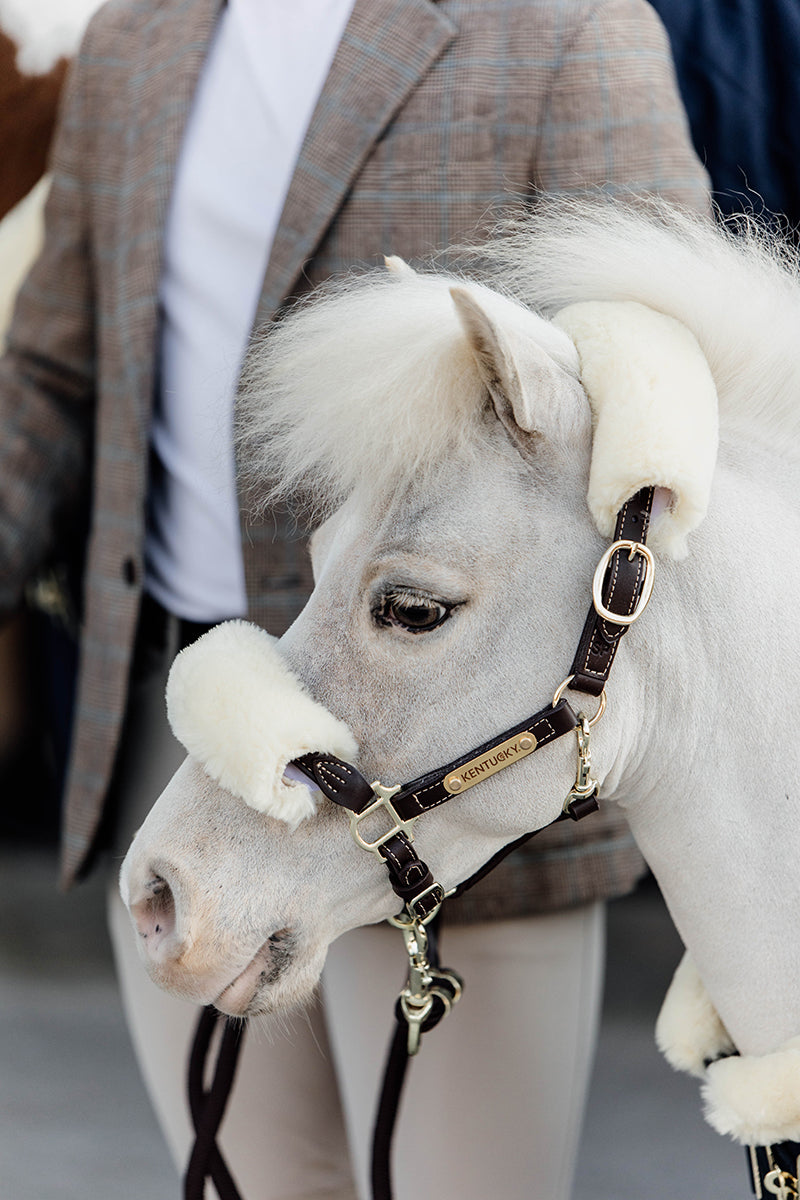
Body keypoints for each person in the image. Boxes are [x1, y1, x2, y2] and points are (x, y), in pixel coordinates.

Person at [0, 0, 709, 1196]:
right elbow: (55, 379)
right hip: (184, 739)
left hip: (449, 752)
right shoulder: (135, 36)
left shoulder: (566, 27)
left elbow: (662, 390)